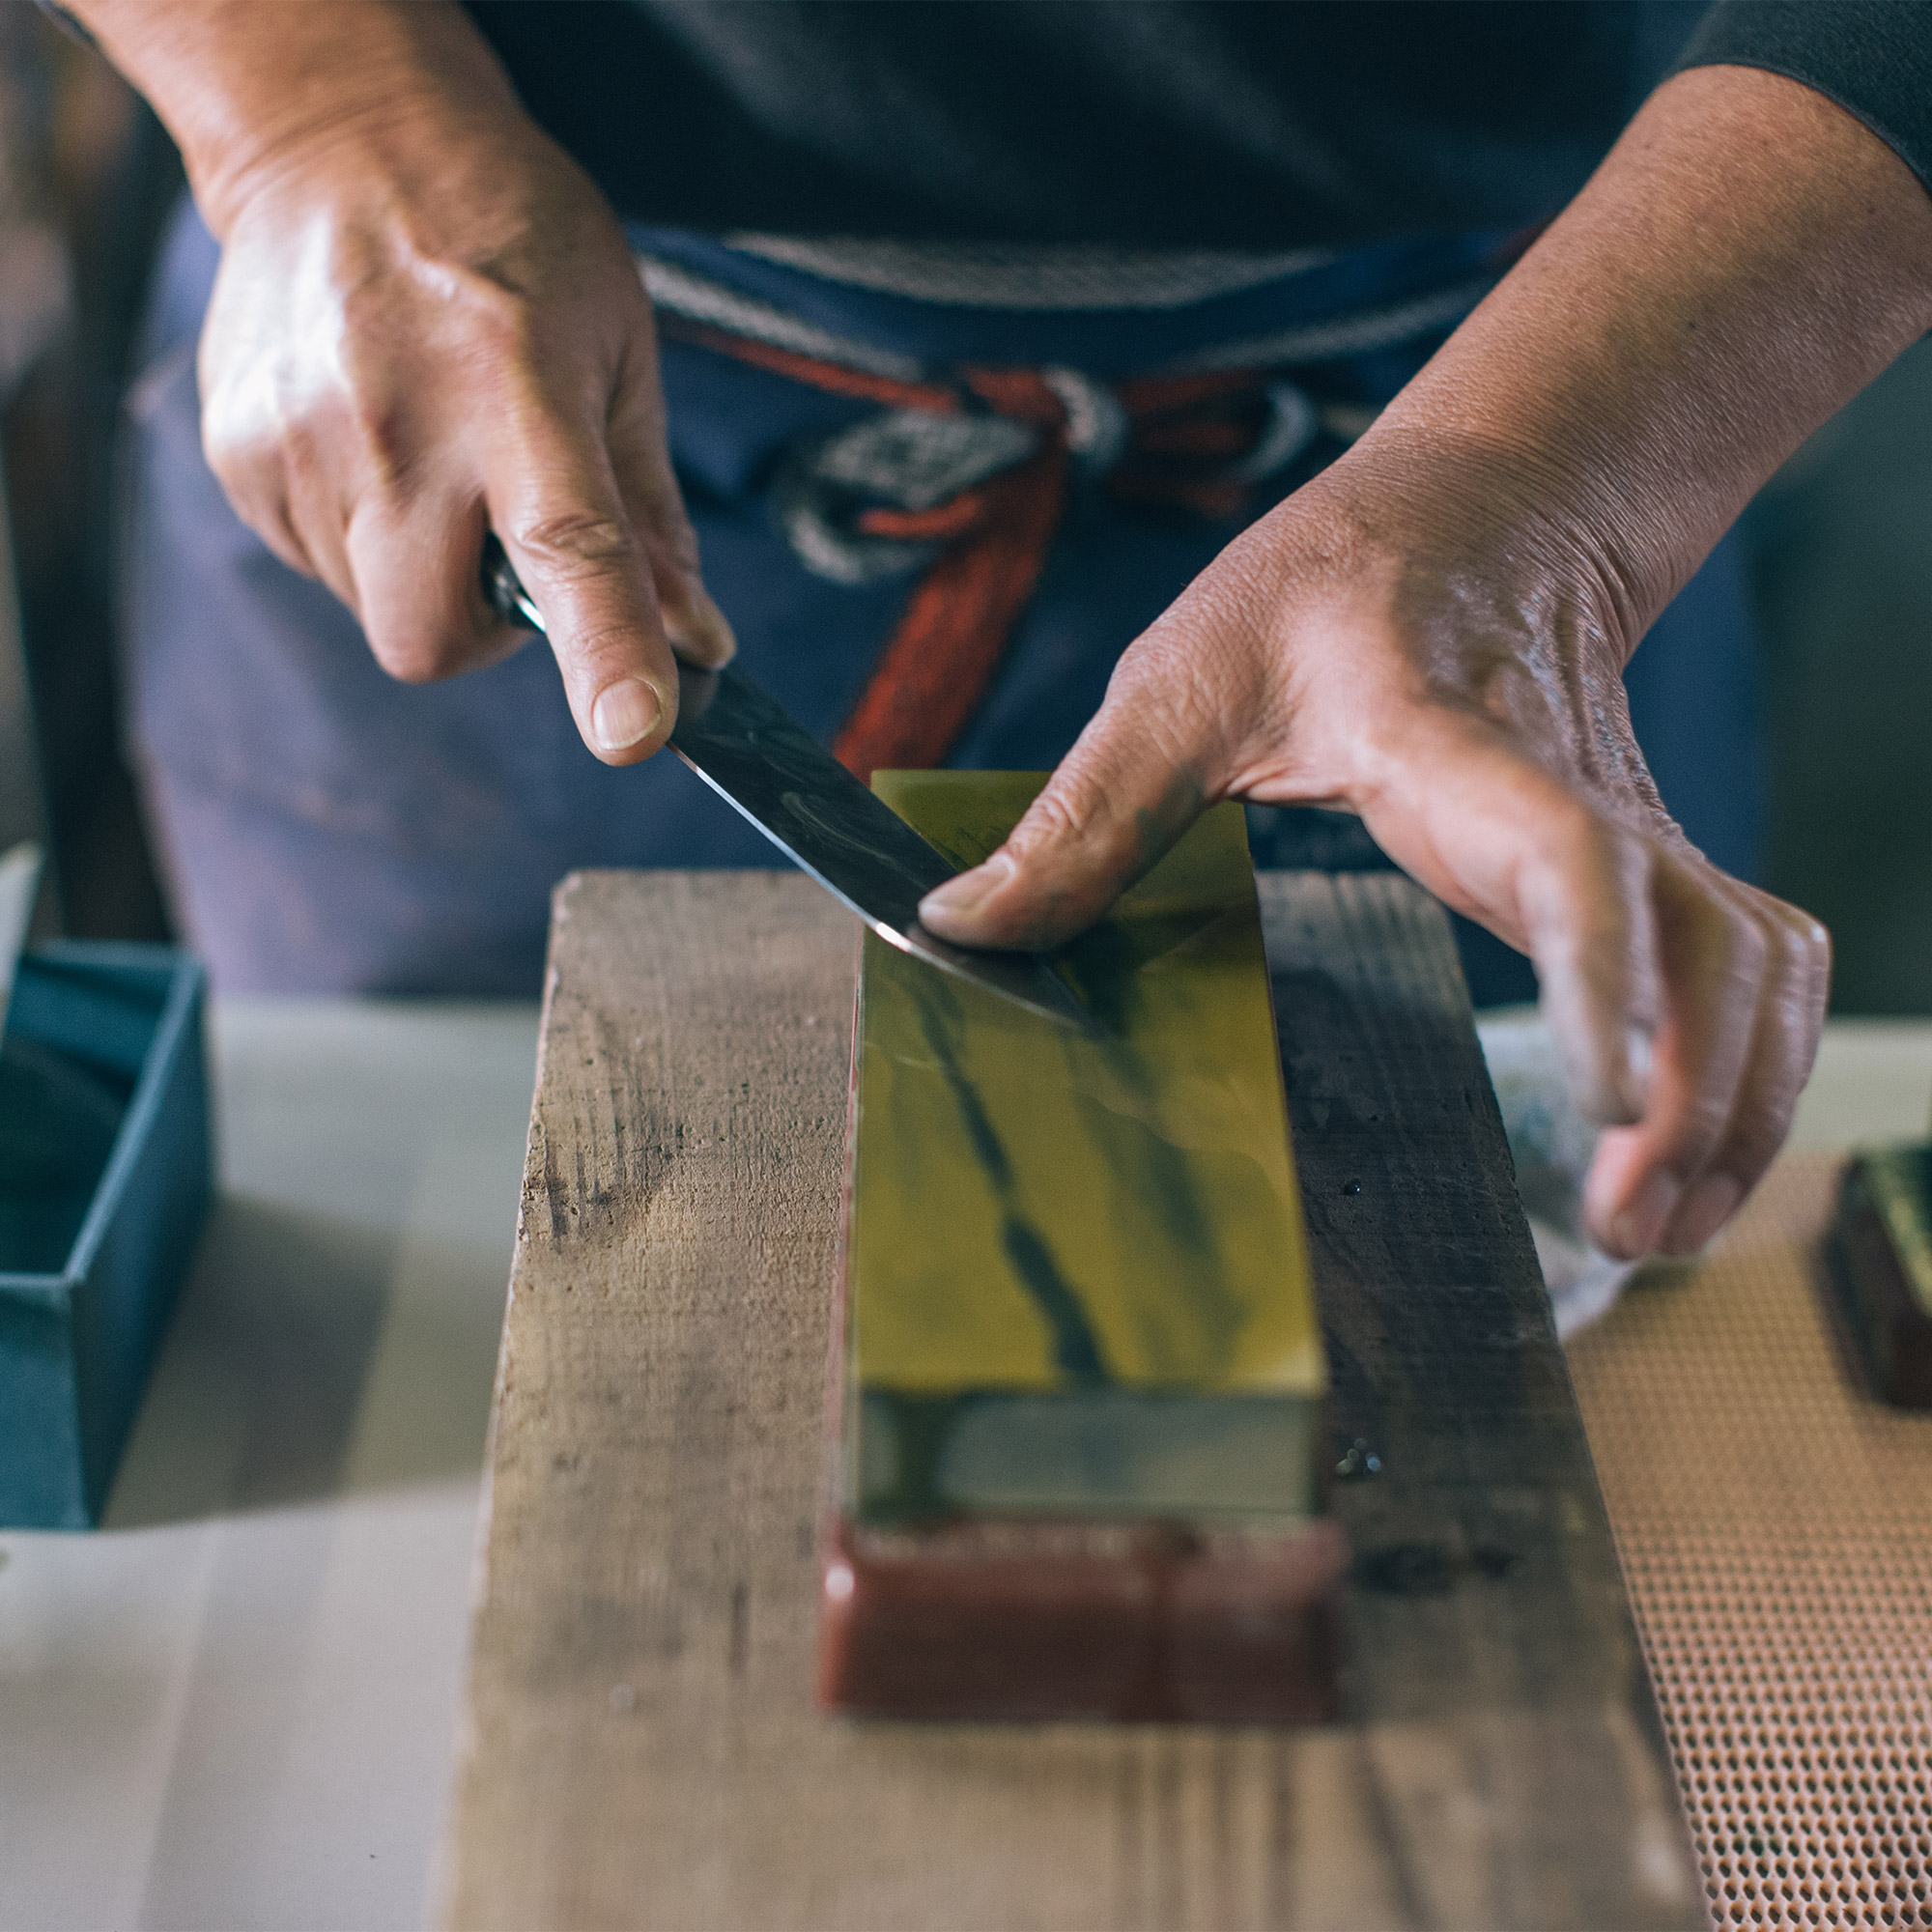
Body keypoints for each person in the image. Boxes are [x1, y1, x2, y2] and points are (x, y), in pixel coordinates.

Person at [69, 1, 1932, 1263]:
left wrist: (1539, 495)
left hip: (1560, 378)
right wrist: (311, 111)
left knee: (1444, 1276)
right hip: (495, 365)